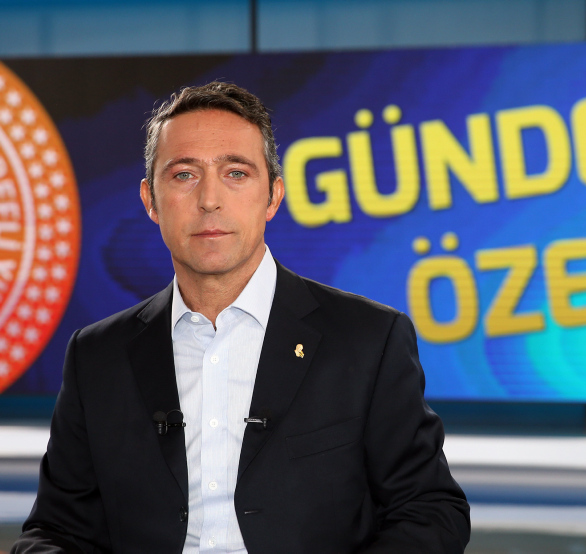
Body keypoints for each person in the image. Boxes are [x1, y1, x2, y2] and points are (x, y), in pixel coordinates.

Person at [12, 82, 470, 553]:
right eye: (184, 174)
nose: (210, 199)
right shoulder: (96, 356)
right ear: (150, 201)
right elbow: (55, 531)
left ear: (273, 196)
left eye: (235, 173)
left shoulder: (369, 340)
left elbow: (430, 511)